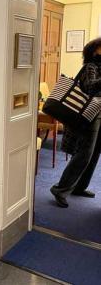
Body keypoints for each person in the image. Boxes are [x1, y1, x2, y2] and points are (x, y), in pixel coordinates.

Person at [50, 37, 101, 208]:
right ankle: (60, 189)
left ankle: (79, 187)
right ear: (95, 51)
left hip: (99, 112)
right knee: (84, 153)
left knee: (94, 154)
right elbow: (90, 87)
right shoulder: (90, 67)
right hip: (90, 114)